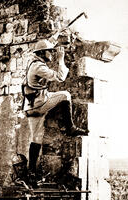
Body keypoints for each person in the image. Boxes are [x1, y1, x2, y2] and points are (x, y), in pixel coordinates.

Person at [22, 39, 88, 179]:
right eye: (49, 51)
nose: (51, 54)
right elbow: (60, 77)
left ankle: (31, 171)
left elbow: (47, 43)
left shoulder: (33, 63)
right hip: (40, 103)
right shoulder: (39, 67)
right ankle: (70, 127)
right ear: (41, 53)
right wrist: (61, 59)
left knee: (36, 138)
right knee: (65, 95)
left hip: (30, 106)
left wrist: (54, 39)